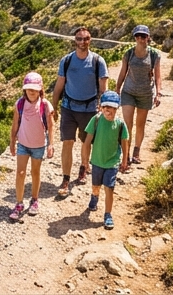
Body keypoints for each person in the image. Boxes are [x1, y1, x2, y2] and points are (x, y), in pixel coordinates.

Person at [50, 27, 109, 197]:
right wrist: (54, 106)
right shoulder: (67, 60)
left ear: (90, 40)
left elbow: (103, 88)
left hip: (89, 109)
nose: (83, 42)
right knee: (67, 142)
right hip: (68, 106)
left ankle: (83, 167)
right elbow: (59, 85)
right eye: (79, 39)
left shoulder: (98, 61)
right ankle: (66, 179)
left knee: (86, 142)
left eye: (86, 38)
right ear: (74, 40)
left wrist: (103, 106)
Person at [8, 72, 54, 220]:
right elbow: (15, 125)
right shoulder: (19, 104)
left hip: (38, 145)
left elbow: (51, 126)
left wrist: (51, 144)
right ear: (25, 89)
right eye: (29, 89)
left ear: (40, 89)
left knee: (35, 173)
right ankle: (19, 203)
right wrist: (12, 142)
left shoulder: (45, 105)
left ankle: (34, 200)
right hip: (23, 143)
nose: (31, 92)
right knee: (20, 173)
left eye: (34, 89)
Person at [115, 25, 162, 168]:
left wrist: (158, 93)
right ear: (135, 37)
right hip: (128, 92)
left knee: (140, 124)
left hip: (145, 94)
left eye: (143, 36)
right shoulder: (129, 53)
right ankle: (126, 155)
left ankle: (136, 151)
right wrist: (117, 89)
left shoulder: (154, 54)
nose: (140, 39)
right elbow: (123, 72)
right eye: (138, 36)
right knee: (127, 124)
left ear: (148, 37)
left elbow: (158, 76)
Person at [86, 91, 130, 230]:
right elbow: (87, 142)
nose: (107, 110)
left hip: (112, 162)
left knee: (109, 188)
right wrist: (85, 161)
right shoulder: (96, 120)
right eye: (104, 106)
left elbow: (124, 142)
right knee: (96, 185)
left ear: (117, 108)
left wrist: (124, 160)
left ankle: (108, 214)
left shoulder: (120, 124)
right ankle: (94, 196)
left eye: (110, 107)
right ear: (100, 107)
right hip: (97, 161)